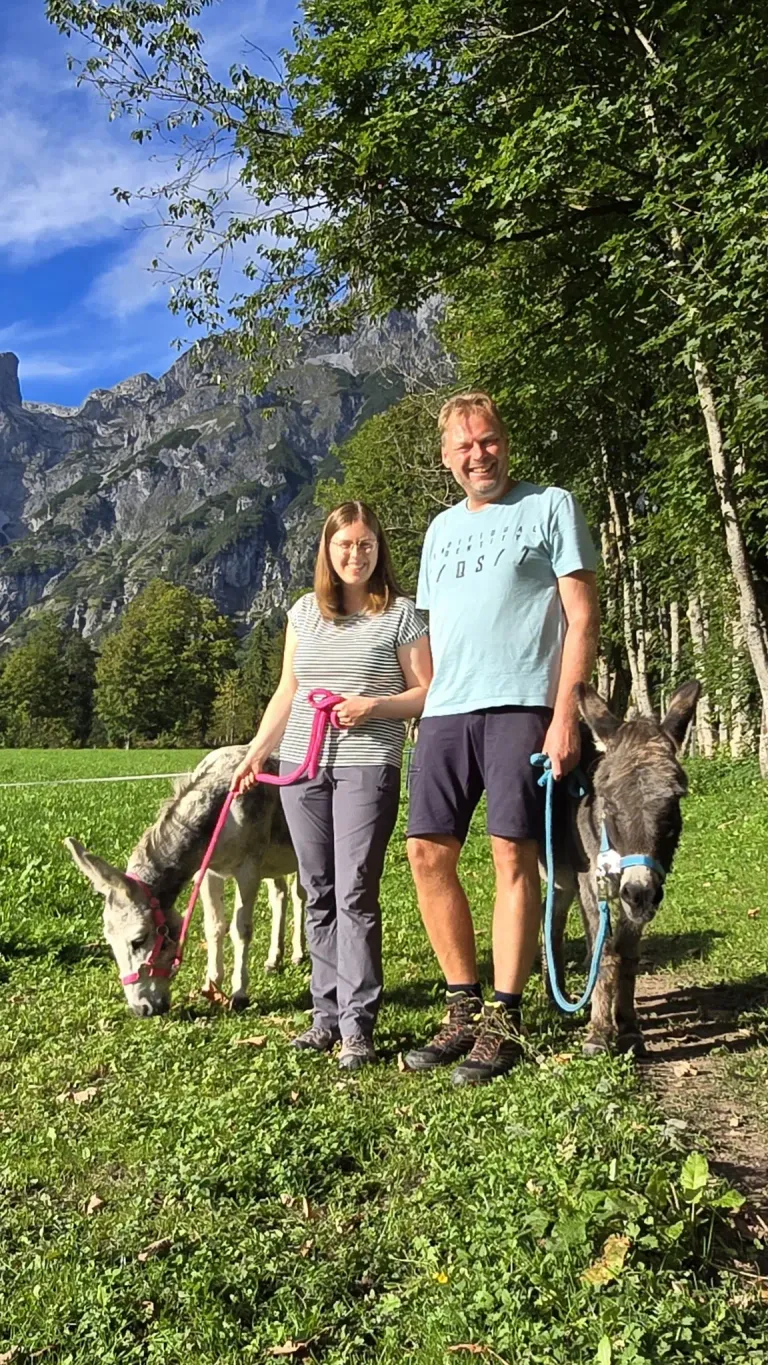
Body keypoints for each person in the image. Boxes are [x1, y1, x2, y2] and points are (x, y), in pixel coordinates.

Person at [405, 392, 599, 1086]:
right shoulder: (438, 531)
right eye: (464, 447)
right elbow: (435, 634)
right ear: (447, 458)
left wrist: (564, 714)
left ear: (504, 443)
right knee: (427, 854)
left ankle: (506, 1017)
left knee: (511, 856)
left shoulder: (551, 505)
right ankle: (463, 1006)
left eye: (487, 441)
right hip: (447, 714)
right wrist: (420, 710)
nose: (477, 454)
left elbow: (581, 618)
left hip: (522, 703)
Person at [234, 501, 431, 1071]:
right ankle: (325, 1017)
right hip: (301, 766)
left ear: (378, 551)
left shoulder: (402, 616)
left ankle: (358, 1026)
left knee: (355, 892)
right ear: (327, 550)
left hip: (368, 764)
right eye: (345, 544)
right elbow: (287, 691)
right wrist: (256, 753)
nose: (355, 553)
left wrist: (375, 706)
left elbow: (427, 691)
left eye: (365, 544)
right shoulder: (303, 614)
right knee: (316, 890)